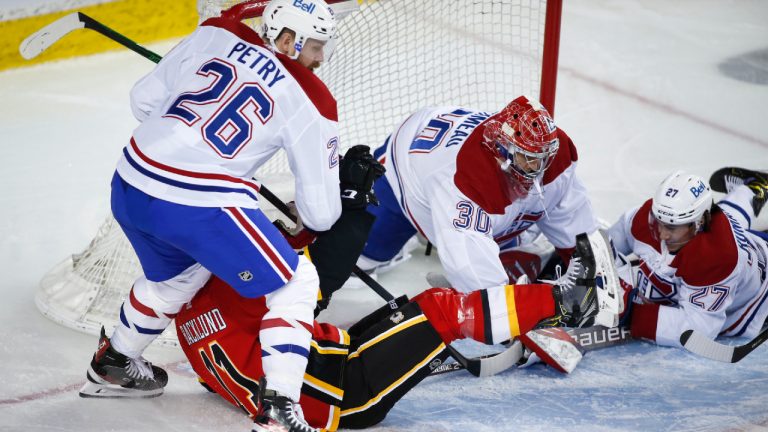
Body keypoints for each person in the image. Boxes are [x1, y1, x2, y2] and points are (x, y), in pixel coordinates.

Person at [78, 1, 372, 431]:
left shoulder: (217, 31)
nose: (320, 58)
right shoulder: (312, 99)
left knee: (179, 277)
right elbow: (322, 214)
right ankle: (278, 412)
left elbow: (143, 101)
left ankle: (116, 360)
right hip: (194, 204)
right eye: (315, 46)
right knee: (297, 281)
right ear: (287, 41)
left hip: (130, 182)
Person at [173, 224, 615, 430]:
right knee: (443, 310)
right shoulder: (234, 285)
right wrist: (324, 222)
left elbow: (215, 378)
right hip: (348, 390)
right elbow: (301, 278)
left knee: (407, 311)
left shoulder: (184, 316)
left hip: (335, 369)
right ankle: (565, 303)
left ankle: (528, 306)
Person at [356, 96, 599, 292]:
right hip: (405, 171)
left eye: (542, 158)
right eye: (528, 159)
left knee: (492, 228)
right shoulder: (463, 179)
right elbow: (481, 287)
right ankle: (428, 231)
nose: (537, 169)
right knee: (363, 259)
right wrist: (531, 312)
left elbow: (575, 225)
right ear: (502, 147)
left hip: (455, 185)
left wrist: (595, 275)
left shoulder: (554, 160)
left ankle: (510, 241)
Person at [607, 168, 768, 348]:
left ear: (699, 224)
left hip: (758, 298)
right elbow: (606, 243)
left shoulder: (716, 258)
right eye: (659, 223)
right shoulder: (653, 217)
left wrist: (632, 314)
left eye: (671, 228)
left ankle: (753, 189)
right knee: (728, 217)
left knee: (728, 223)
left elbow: (699, 330)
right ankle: (755, 187)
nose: (662, 235)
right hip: (743, 242)